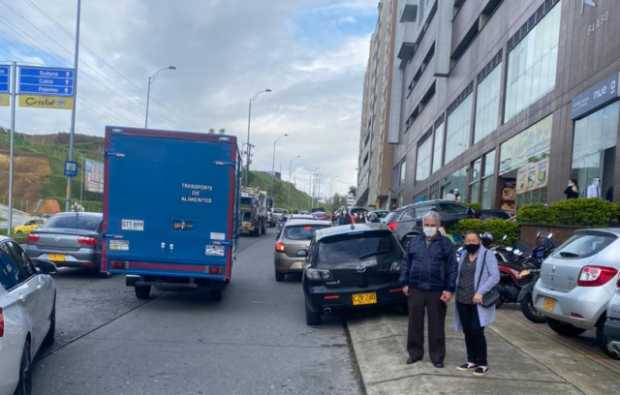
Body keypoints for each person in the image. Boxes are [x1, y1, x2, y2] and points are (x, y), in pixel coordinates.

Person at [400, 211, 458, 368]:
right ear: (422, 225)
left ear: (439, 226)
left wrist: (449, 289)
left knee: (437, 325)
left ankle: (437, 357)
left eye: (433, 225)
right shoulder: (414, 242)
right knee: (414, 324)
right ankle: (415, 353)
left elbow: (452, 268)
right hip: (416, 288)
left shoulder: (446, 244)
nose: (429, 228)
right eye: (427, 225)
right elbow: (406, 263)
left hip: (437, 290)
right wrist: (404, 282)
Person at [454, 231, 500, 376]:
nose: (471, 243)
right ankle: (471, 360)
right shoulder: (463, 255)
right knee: (467, 330)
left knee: (477, 331)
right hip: (462, 299)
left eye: (474, 240)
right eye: (468, 241)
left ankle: (482, 363)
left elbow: (495, 276)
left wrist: (481, 292)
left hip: (477, 301)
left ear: (479, 241)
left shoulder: (487, 255)